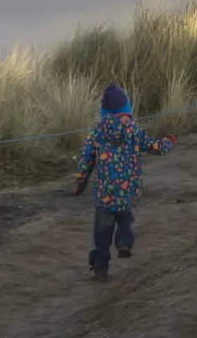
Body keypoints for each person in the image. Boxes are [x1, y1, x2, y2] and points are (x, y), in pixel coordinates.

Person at [73, 84, 175, 282]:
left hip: (104, 195)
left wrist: (80, 182)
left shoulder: (96, 133)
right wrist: (170, 140)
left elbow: (86, 160)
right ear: (126, 109)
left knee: (102, 233)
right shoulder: (134, 131)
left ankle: (100, 269)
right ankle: (124, 243)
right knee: (125, 219)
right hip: (127, 192)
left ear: (104, 111)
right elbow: (157, 148)